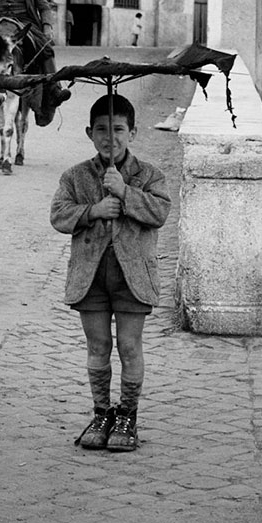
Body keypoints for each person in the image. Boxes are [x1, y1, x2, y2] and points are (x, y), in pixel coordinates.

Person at [50, 94, 171, 451]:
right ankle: (101, 413)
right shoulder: (75, 176)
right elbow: (59, 215)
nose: (110, 138)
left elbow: (159, 213)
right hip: (91, 276)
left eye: (118, 129)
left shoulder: (150, 175)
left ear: (132, 132)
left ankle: (127, 416)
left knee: (130, 347)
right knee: (98, 345)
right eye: (101, 130)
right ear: (90, 133)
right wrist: (94, 210)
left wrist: (125, 192)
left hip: (133, 278)